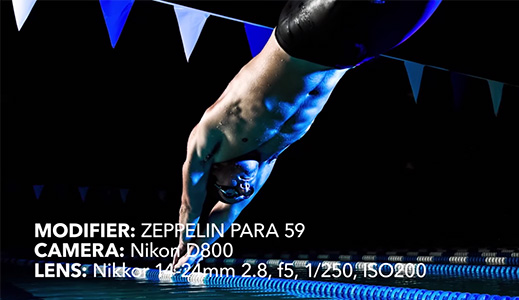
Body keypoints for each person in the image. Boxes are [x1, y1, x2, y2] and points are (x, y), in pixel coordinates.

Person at [173, 0, 442, 270]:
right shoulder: (266, 161)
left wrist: (185, 243)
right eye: (242, 192)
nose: (242, 187)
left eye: (228, 189)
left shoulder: (209, 137)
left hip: (304, 37)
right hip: (351, 55)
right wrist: (200, 250)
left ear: (215, 171)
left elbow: (190, 205)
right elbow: (230, 212)